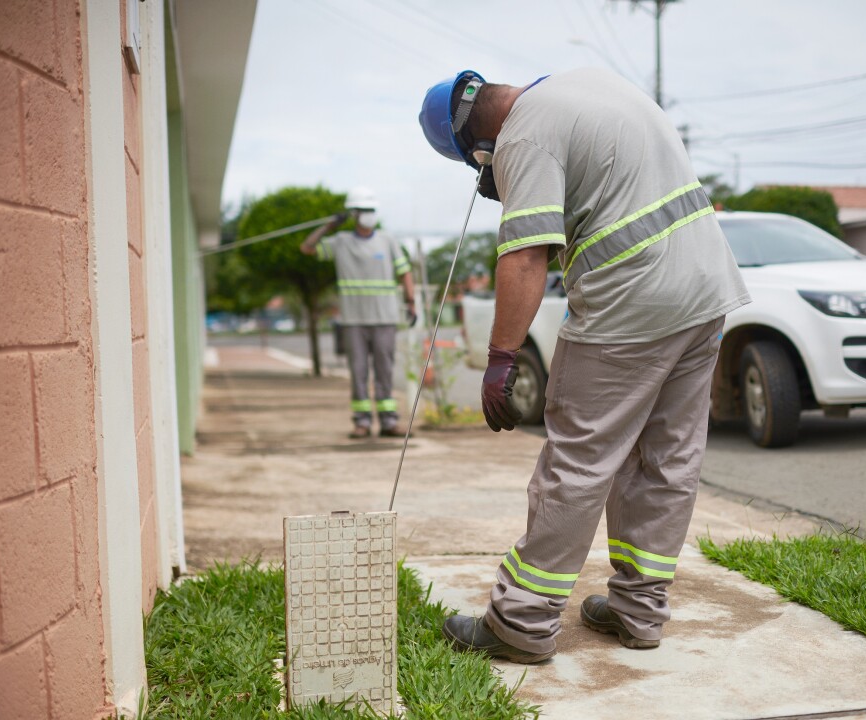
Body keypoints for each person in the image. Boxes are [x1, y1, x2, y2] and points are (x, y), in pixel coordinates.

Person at [418, 68, 750, 663]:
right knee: (667, 456)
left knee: (578, 458)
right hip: (707, 289)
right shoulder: (588, 85)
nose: (484, 177)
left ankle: (520, 623)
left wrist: (500, 358)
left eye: (476, 166)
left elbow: (526, 255)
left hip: (633, 300)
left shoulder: (523, 136)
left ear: (477, 145)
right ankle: (639, 611)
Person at [301, 187, 416, 439]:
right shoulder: (341, 242)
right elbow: (307, 248)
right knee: (359, 372)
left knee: (385, 372)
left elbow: (404, 271)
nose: (369, 215)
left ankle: (388, 422)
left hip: (385, 319)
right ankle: (362, 423)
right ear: (353, 214)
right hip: (353, 321)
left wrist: (411, 302)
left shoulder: (387, 240)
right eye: (363, 211)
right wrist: (328, 226)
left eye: (371, 210)